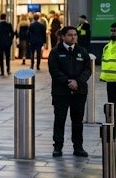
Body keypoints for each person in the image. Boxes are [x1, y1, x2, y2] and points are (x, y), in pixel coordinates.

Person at [49, 26, 92, 158]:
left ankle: (78, 148)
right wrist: (69, 82)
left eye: (75, 35)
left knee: (77, 121)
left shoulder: (82, 51)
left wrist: (78, 82)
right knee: (60, 120)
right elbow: (54, 71)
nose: (73, 37)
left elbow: (87, 69)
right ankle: (58, 147)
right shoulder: (55, 52)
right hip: (61, 93)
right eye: (70, 35)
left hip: (79, 92)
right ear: (63, 36)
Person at [102, 23, 116, 105]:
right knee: (111, 104)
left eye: (115, 30)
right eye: (112, 30)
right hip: (110, 81)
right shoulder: (107, 46)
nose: (113, 32)